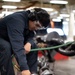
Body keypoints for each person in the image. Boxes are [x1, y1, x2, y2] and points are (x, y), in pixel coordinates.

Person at [0, 8, 50, 75]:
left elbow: (32, 35)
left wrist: (29, 43)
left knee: (33, 45)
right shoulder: (17, 20)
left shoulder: (29, 23)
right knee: (6, 47)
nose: (36, 28)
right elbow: (18, 46)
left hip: (9, 38)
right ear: (31, 18)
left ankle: (32, 73)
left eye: (39, 28)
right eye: (37, 25)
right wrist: (24, 68)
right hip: (2, 38)